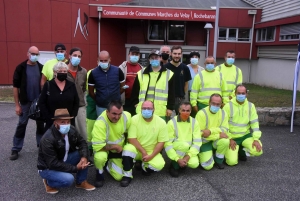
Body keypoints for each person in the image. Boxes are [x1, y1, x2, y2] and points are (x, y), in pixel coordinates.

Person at [37, 109, 95, 194]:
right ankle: (48, 182)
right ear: (55, 123)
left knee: (84, 153)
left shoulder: (71, 130)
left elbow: (82, 143)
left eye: (68, 122)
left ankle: (81, 182)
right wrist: (75, 168)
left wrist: (84, 158)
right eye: (62, 122)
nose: (66, 125)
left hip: (63, 159)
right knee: (69, 179)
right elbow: (52, 163)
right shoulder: (47, 139)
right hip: (47, 167)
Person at [121, 100, 168, 187]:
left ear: (154, 109)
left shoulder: (161, 122)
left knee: (159, 165)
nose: (146, 110)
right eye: (144, 108)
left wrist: (152, 155)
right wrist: (143, 152)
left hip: (151, 151)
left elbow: (161, 142)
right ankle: (127, 175)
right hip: (137, 149)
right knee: (127, 150)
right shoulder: (134, 119)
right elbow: (131, 139)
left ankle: (144, 167)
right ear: (140, 109)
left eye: (149, 108)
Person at [10, 46, 45, 160]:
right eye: (32, 53)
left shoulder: (41, 68)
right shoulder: (20, 68)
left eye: (36, 54)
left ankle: (41, 145)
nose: (34, 56)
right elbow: (15, 87)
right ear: (28, 54)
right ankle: (16, 148)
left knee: (40, 124)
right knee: (22, 124)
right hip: (25, 102)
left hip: (38, 102)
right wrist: (17, 105)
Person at [92, 100, 131, 187]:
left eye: (119, 114)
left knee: (119, 177)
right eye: (114, 114)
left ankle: (108, 164)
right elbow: (97, 146)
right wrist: (115, 146)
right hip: (104, 150)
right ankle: (99, 175)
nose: (117, 117)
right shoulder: (100, 123)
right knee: (100, 158)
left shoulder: (126, 116)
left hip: (118, 152)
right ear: (107, 112)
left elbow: (128, 133)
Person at [223, 85, 263, 166]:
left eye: (243, 93)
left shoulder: (250, 106)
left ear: (246, 94)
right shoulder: (228, 106)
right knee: (231, 162)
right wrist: (229, 138)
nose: (241, 95)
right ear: (235, 93)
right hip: (233, 137)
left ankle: (241, 150)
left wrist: (255, 139)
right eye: (239, 93)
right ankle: (229, 152)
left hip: (245, 136)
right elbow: (223, 125)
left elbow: (255, 123)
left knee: (258, 151)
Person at [131, 49, 175, 121]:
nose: (154, 60)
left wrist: (170, 108)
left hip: (160, 111)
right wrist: (135, 104)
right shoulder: (140, 73)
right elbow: (135, 91)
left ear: (160, 58)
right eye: (152, 58)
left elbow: (171, 93)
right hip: (143, 110)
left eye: (156, 58)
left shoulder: (169, 74)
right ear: (149, 59)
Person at [165, 101, 202, 177]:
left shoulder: (195, 122)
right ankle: (174, 165)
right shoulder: (171, 123)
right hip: (177, 148)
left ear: (191, 111)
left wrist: (188, 156)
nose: (185, 112)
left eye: (188, 111)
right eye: (183, 110)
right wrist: (176, 159)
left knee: (194, 164)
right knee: (184, 145)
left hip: (188, 149)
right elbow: (167, 144)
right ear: (179, 110)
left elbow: (197, 142)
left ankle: (183, 162)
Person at [39, 62, 79, 131]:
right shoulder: (48, 85)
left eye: (64, 71)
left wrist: (72, 116)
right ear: (55, 72)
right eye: (60, 71)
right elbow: (42, 102)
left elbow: (76, 101)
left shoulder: (71, 85)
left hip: (68, 122)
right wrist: (49, 117)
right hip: (51, 122)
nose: (62, 73)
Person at [195, 94, 230, 170]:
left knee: (225, 141)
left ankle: (219, 160)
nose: (215, 106)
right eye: (213, 103)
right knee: (207, 166)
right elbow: (200, 133)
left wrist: (210, 131)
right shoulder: (201, 114)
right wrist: (218, 134)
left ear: (221, 104)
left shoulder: (223, 113)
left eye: (218, 104)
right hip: (204, 143)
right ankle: (201, 154)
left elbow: (225, 129)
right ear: (209, 102)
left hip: (215, 140)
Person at [88, 51, 125, 116]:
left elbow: (123, 87)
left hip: (116, 105)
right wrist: (99, 99)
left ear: (110, 59)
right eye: (101, 60)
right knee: (102, 124)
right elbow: (91, 92)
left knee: (117, 123)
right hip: (101, 107)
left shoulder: (118, 71)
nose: (103, 62)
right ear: (98, 60)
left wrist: (116, 95)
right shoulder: (93, 73)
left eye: (105, 60)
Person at [66, 47, 87, 140]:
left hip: (80, 104)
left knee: (83, 131)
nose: (77, 58)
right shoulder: (62, 70)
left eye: (79, 56)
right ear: (69, 56)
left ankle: (84, 149)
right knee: (67, 129)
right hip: (66, 105)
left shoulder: (84, 71)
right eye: (75, 55)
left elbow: (83, 88)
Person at [165, 46, 191, 114]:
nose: (177, 55)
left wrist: (182, 96)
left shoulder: (185, 68)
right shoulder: (165, 67)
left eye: (179, 54)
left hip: (180, 99)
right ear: (171, 54)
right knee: (168, 119)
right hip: (167, 98)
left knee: (180, 119)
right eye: (175, 53)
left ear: (181, 54)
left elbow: (186, 83)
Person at [119, 46, 143, 116]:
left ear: (139, 56)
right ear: (129, 54)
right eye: (133, 54)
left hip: (137, 101)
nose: (134, 56)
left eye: (137, 54)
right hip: (125, 101)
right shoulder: (122, 67)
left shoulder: (142, 69)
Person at [187, 51, 204, 117]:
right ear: (190, 59)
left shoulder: (202, 69)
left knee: (197, 112)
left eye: (196, 57)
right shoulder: (186, 68)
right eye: (192, 57)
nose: (194, 58)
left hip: (199, 93)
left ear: (199, 59)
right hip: (188, 93)